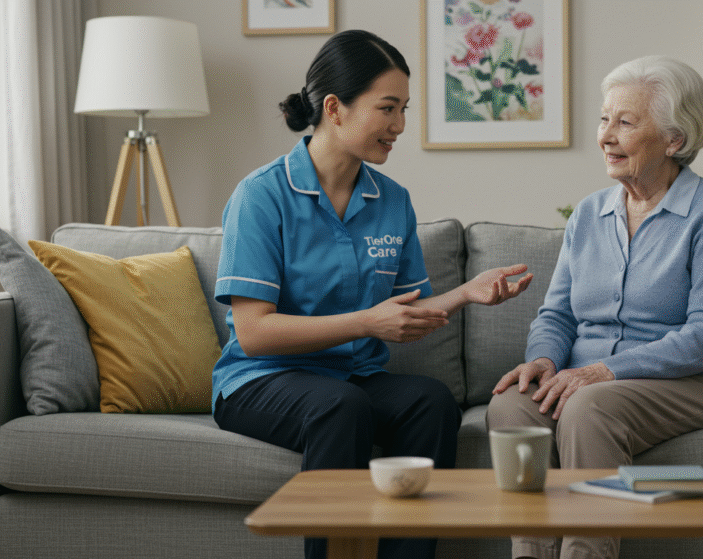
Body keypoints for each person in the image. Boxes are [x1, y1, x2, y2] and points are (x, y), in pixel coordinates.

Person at [213, 30, 533, 559]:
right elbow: (253, 333)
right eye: (388, 108)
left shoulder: (391, 200)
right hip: (258, 379)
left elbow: (402, 312)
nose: (400, 126)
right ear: (334, 108)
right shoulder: (261, 196)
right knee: (341, 408)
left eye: (404, 109)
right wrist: (366, 323)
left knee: (430, 403)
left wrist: (466, 294)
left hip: (351, 378)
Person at [487, 55, 703, 559]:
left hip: (697, 380)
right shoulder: (589, 213)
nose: (606, 136)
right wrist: (544, 359)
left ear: (675, 140)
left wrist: (604, 370)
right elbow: (558, 313)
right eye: (604, 119)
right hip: (590, 375)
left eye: (626, 123)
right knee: (510, 404)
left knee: (588, 406)